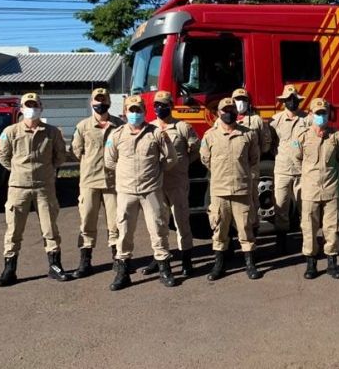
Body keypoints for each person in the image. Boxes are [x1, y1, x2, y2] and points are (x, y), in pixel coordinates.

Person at [0, 92, 70, 286]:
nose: (31, 109)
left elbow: (60, 155)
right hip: (18, 188)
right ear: (21, 109)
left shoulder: (51, 132)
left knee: (50, 228)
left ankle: (55, 265)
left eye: (35, 105)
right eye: (28, 105)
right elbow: (2, 155)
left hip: (44, 187)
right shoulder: (11, 131)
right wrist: (19, 171)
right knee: (13, 230)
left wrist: (47, 170)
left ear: (41, 107)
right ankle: (9, 269)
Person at [105, 95, 177, 291]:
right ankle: (123, 272)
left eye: (138, 110)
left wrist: (155, 172)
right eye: (131, 110)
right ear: (125, 112)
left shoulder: (156, 134)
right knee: (124, 232)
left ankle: (164, 269)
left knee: (158, 229)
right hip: (126, 192)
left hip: (150, 191)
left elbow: (170, 159)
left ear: (144, 112)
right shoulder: (116, 135)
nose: (135, 114)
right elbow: (109, 161)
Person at [200, 97, 261, 281]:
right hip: (219, 191)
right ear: (219, 112)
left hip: (241, 189)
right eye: (225, 110)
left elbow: (254, 159)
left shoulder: (248, 134)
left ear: (236, 112)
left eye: (231, 109)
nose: (228, 113)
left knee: (245, 228)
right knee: (219, 229)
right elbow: (205, 159)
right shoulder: (210, 135)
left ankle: (250, 264)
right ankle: (219, 265)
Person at [142, 90, 200, 277]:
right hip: (155, 184)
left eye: (164, 104)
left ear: (171, 106)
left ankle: (186, 260)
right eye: (157, 105)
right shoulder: (149, 128)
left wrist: (182, 164)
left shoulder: (183, 127)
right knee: (158, 223)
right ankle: (159, 258)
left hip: (177, 182)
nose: (160, 108)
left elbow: (195, 150)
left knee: (181, 221)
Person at [71, 88, 123, 278]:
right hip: (90, 181)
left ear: (109, 102)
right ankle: (85, 261)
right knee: (87, 222)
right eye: (97, 100)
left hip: (113, 182)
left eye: (104, 100)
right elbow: (77, 151)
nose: (100, 103)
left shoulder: (119, 125)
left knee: (116, 222)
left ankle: (118, 259)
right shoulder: (83, 126)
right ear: (91, 102)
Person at [298, 98, 339, 280]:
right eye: (317, 113)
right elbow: (297, 158)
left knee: (331, 227)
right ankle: (311, 264)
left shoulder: (336, 136)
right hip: (310, 190)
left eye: (323, 113)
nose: (321, 116)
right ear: (310, 115)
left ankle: (332, 264)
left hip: (330, 188)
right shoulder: (302, 137)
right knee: (309, 227)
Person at [269, 84, 310, 254]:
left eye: (294, 100)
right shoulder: (275, 120)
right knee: (281, 206)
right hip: (283, 170)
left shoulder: (307, 119)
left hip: (303, 171)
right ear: (283, 101)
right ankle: (281, 243)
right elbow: (270, 143)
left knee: (305, 208)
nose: (292, 102)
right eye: (288, 100)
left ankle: (308, 243)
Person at [230, 88, 273, 235]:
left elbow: (265, 143)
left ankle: (252, 237)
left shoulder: (256, 120)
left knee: (253, 203)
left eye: (244, 99)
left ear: (249, 102)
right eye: (237, 99)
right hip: (231, 171)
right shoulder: (227, 119)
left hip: (251, 170)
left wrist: (255, 155)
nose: (240, 102)